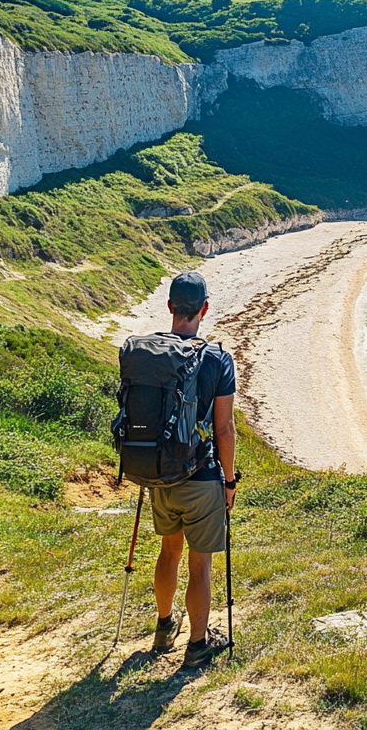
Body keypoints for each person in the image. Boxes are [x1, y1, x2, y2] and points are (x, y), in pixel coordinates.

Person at [148, 270, 238, 668]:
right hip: (202, 477)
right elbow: (225, 428)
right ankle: (198, 646)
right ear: (204, 309)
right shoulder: (217, 359)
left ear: (170, 307)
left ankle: (164, 627)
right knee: (199, 562)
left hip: (160, 474)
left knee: (169, 552)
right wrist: (230, 481)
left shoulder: (149, 355)